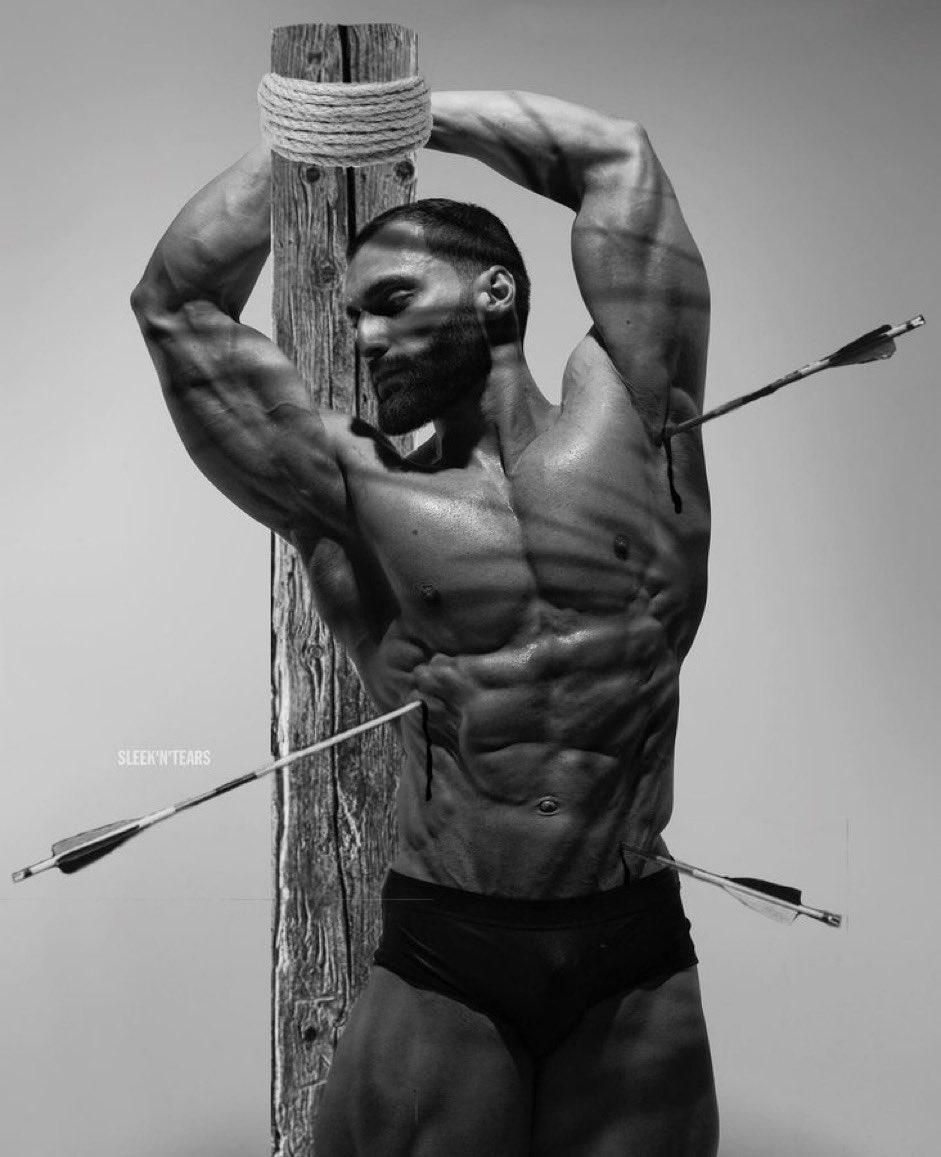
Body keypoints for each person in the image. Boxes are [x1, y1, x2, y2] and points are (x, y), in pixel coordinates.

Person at [132, 89, 716, 1156]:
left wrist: (398, 112)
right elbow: (175, 307)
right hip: (453, 943)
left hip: (631, 942)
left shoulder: (640, 419)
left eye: (392, 300)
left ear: (494, 290)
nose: (364, 336)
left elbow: (614, 157)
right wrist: (304, 137)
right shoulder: (352, 491)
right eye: (355, 314)